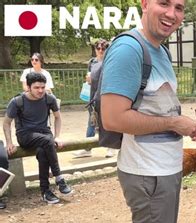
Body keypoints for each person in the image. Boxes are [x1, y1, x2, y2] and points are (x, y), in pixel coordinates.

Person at [99, 0, 196, 223]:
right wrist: (172, 124)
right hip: (148, 174)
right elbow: (113, 118)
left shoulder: (161, 51)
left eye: (179, 7)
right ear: (145, 3)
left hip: (163, 170)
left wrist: (184, 124)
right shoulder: (128, 49)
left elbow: (159, 108)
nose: (172, 14)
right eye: (164, 3)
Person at [3, 72, 72, 204]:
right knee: (47, 141)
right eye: (36, 87)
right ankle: (59, 178)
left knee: (42, 151)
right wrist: (9, 142)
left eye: (42, 87)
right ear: (28, 87)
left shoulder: (49, 98)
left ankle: (45, 192)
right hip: (25, 135)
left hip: (44, 134)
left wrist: (57, 136)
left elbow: (58, 117)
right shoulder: (17, 101)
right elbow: (6, 122)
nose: (40, 90)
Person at [73, 39, 116, 158]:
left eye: (103, 48)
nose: (101, 51)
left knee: (108, 122)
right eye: (98, 48)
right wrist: (89, 80)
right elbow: (90, 78)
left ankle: (111, 147)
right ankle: (87, 148)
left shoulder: (110, 62)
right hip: (93, 96)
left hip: (106, 95)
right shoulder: (92, 62)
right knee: (92, 122)